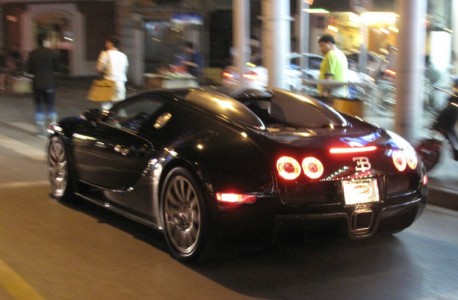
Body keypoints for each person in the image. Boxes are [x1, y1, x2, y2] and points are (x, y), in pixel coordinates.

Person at [27, 33, 59, 137]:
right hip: (50, 83)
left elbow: (29, 70)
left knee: (39, 106)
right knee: (50, 106)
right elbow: (57, 68)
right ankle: (53, 128)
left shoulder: (32, 53)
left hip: (37, 84)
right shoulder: (52, 53)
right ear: (45, 41)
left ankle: (41, 130)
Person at [96, 36, 129, 110]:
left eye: (106, 43)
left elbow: (99, 68)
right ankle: (119, 120)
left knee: (106, 107)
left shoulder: (105, 54)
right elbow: (125, 70)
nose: (105, 44)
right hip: (121, 83)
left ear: (110, 43)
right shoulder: (124, 56)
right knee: (120, 107)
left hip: (108, 82)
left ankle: (107, 120)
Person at [317, 34, 349, 99]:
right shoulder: (341, 54)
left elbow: (328, 78)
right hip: (341, 93)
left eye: (322, 45)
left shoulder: (330, 55)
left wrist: (324, 95)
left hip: (331, 96)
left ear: (329, 43)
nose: (321, 48)